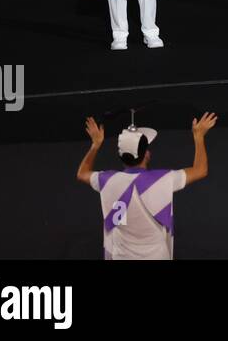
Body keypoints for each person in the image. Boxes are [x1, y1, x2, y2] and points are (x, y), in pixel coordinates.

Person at [75, 111, 217, 260]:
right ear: (146, 154)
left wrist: (95, 144)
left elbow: (82, 173)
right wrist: (199, 136)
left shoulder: (107, 180)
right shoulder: (163, 179)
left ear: (122, 157)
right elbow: (200, 170)